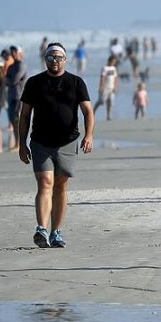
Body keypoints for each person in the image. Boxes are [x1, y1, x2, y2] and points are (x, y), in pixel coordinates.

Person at [19, 43, 94, 248]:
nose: (54, 61)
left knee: (61, 186)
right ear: (45, 60)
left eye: (58, 57)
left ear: (65, 59)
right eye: (50, 57)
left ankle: (56, 232)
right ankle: (41, 229)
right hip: (40, 142)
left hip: (68, 142)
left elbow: (88, 111)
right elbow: (24, 115)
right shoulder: (34, 83)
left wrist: (89, 136)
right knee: (45, 182)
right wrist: (22, 144)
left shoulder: (76, 82)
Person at [6, 46, 28, 151]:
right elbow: (6, 80)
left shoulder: (21, 65)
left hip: (18, 96)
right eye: (11, 52)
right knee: (13, 121)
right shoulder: (12, 66)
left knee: (17, 120)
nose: (13, 54)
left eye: (14, 52)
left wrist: (7, 79)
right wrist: (7, 80)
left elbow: (12, 81)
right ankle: (16, 143)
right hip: (10, 96)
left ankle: (19, 144)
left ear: (18, 53)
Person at [93, 55, 119, 120]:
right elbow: (102, 78)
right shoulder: (105, 68)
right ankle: (93, 111)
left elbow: (115, 78)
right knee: (101, 101)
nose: (113, 63)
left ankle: (108, 116)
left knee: (110, 102)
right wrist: (101, 87)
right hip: (105, 88)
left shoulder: (114, 68)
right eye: (113, 61)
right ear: (109, 61)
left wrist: (115, 87)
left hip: (112, 87)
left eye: (115, 62)